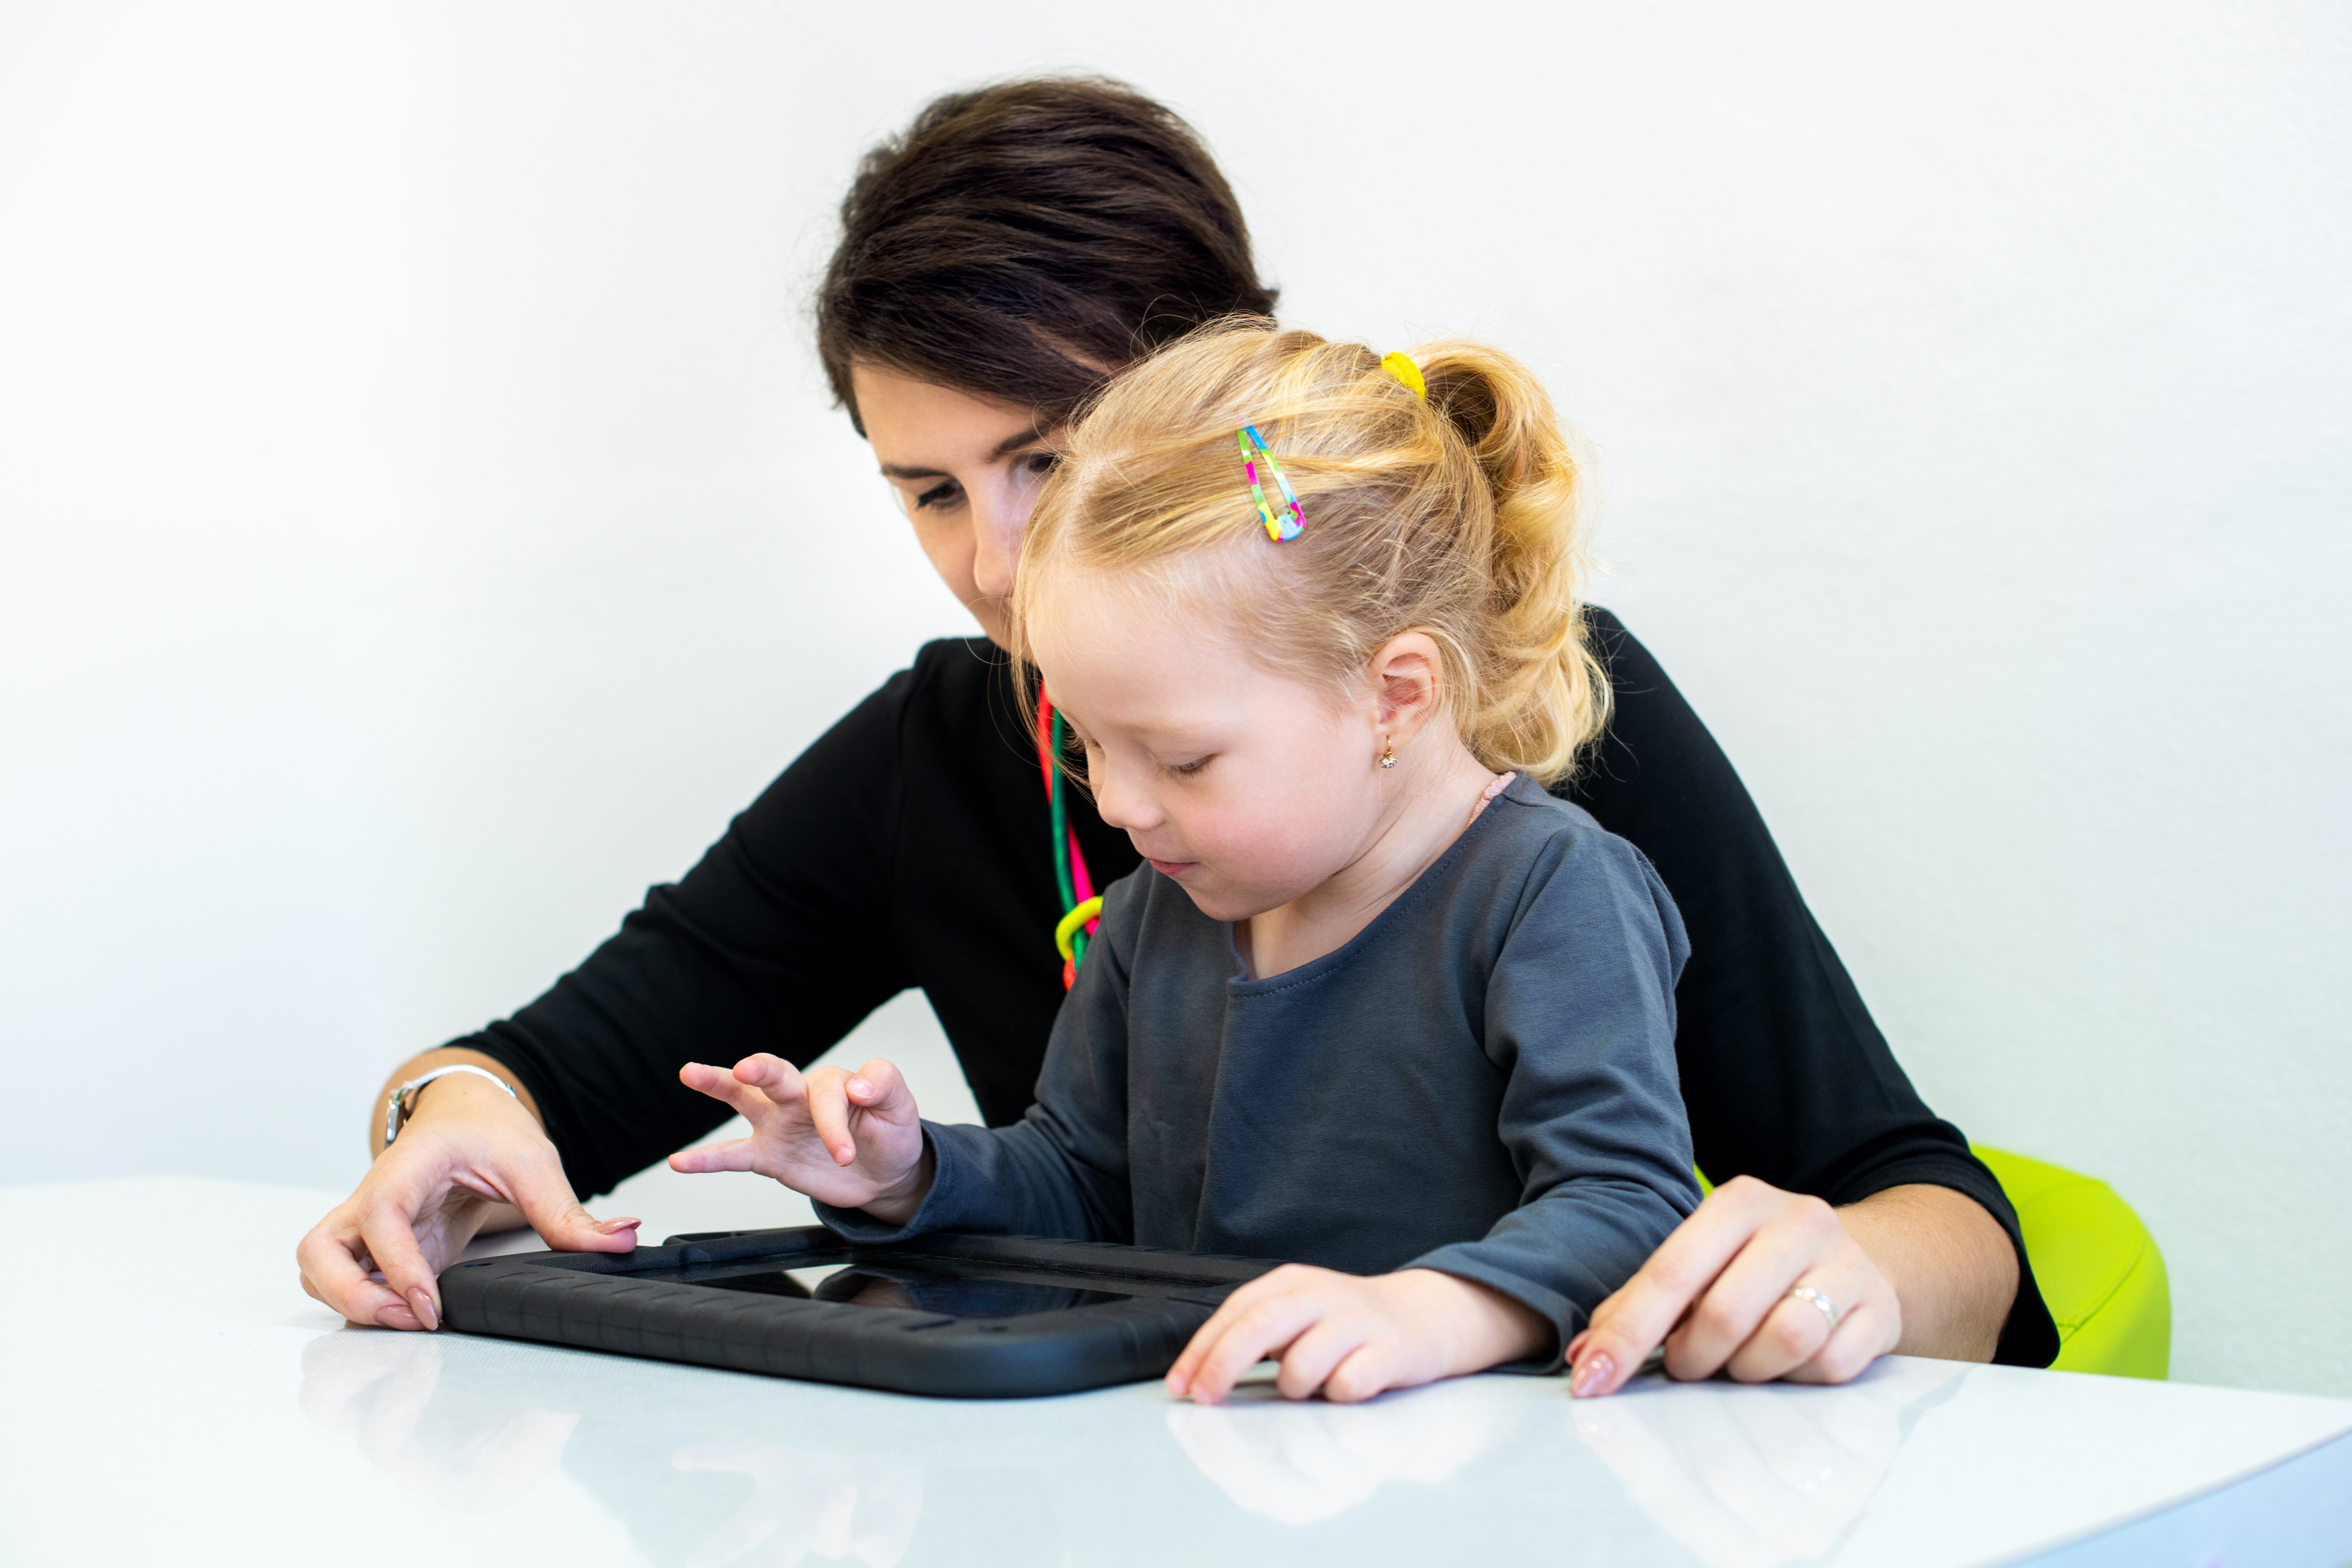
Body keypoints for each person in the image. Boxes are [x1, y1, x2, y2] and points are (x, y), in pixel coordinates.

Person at [297, 77, 2055, 1389]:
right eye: (926, 487)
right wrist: (445, 1117)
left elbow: (1924, 1209)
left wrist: (1846, 1273)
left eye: (1051, 462)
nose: (994, 563)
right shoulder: (963, 770)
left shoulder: (1539, 735)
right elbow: (565, 1066)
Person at [670, 324, 1701, 1405]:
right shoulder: (1156, 915)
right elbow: (1075, 1184)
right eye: (1091, 744)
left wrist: (1426, 1310)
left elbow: (1628, 1203)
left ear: (1395, 695)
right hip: (1202, 1454)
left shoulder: (1548, 894)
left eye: (1184, 757)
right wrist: (905, 1174)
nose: (1117, 802)